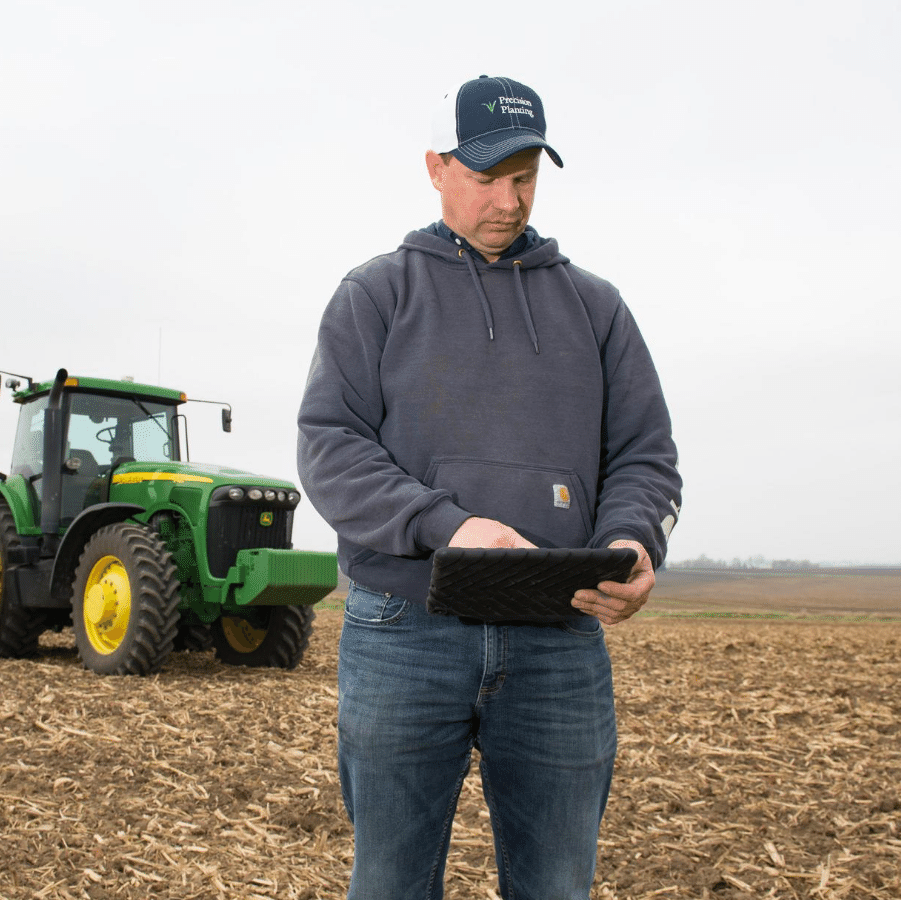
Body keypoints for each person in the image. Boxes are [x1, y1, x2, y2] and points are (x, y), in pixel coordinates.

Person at [296, 75, 684, 899]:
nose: (509, 200)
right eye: (486, 176)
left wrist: (632, 540)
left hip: (558, 636)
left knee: (556, 887)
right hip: (405, 627)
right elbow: (329, 447)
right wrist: (446, 524)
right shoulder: (376, 295)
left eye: (526, 176)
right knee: (391, 885)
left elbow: (646, 454)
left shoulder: (596, 308)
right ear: (435, 167)